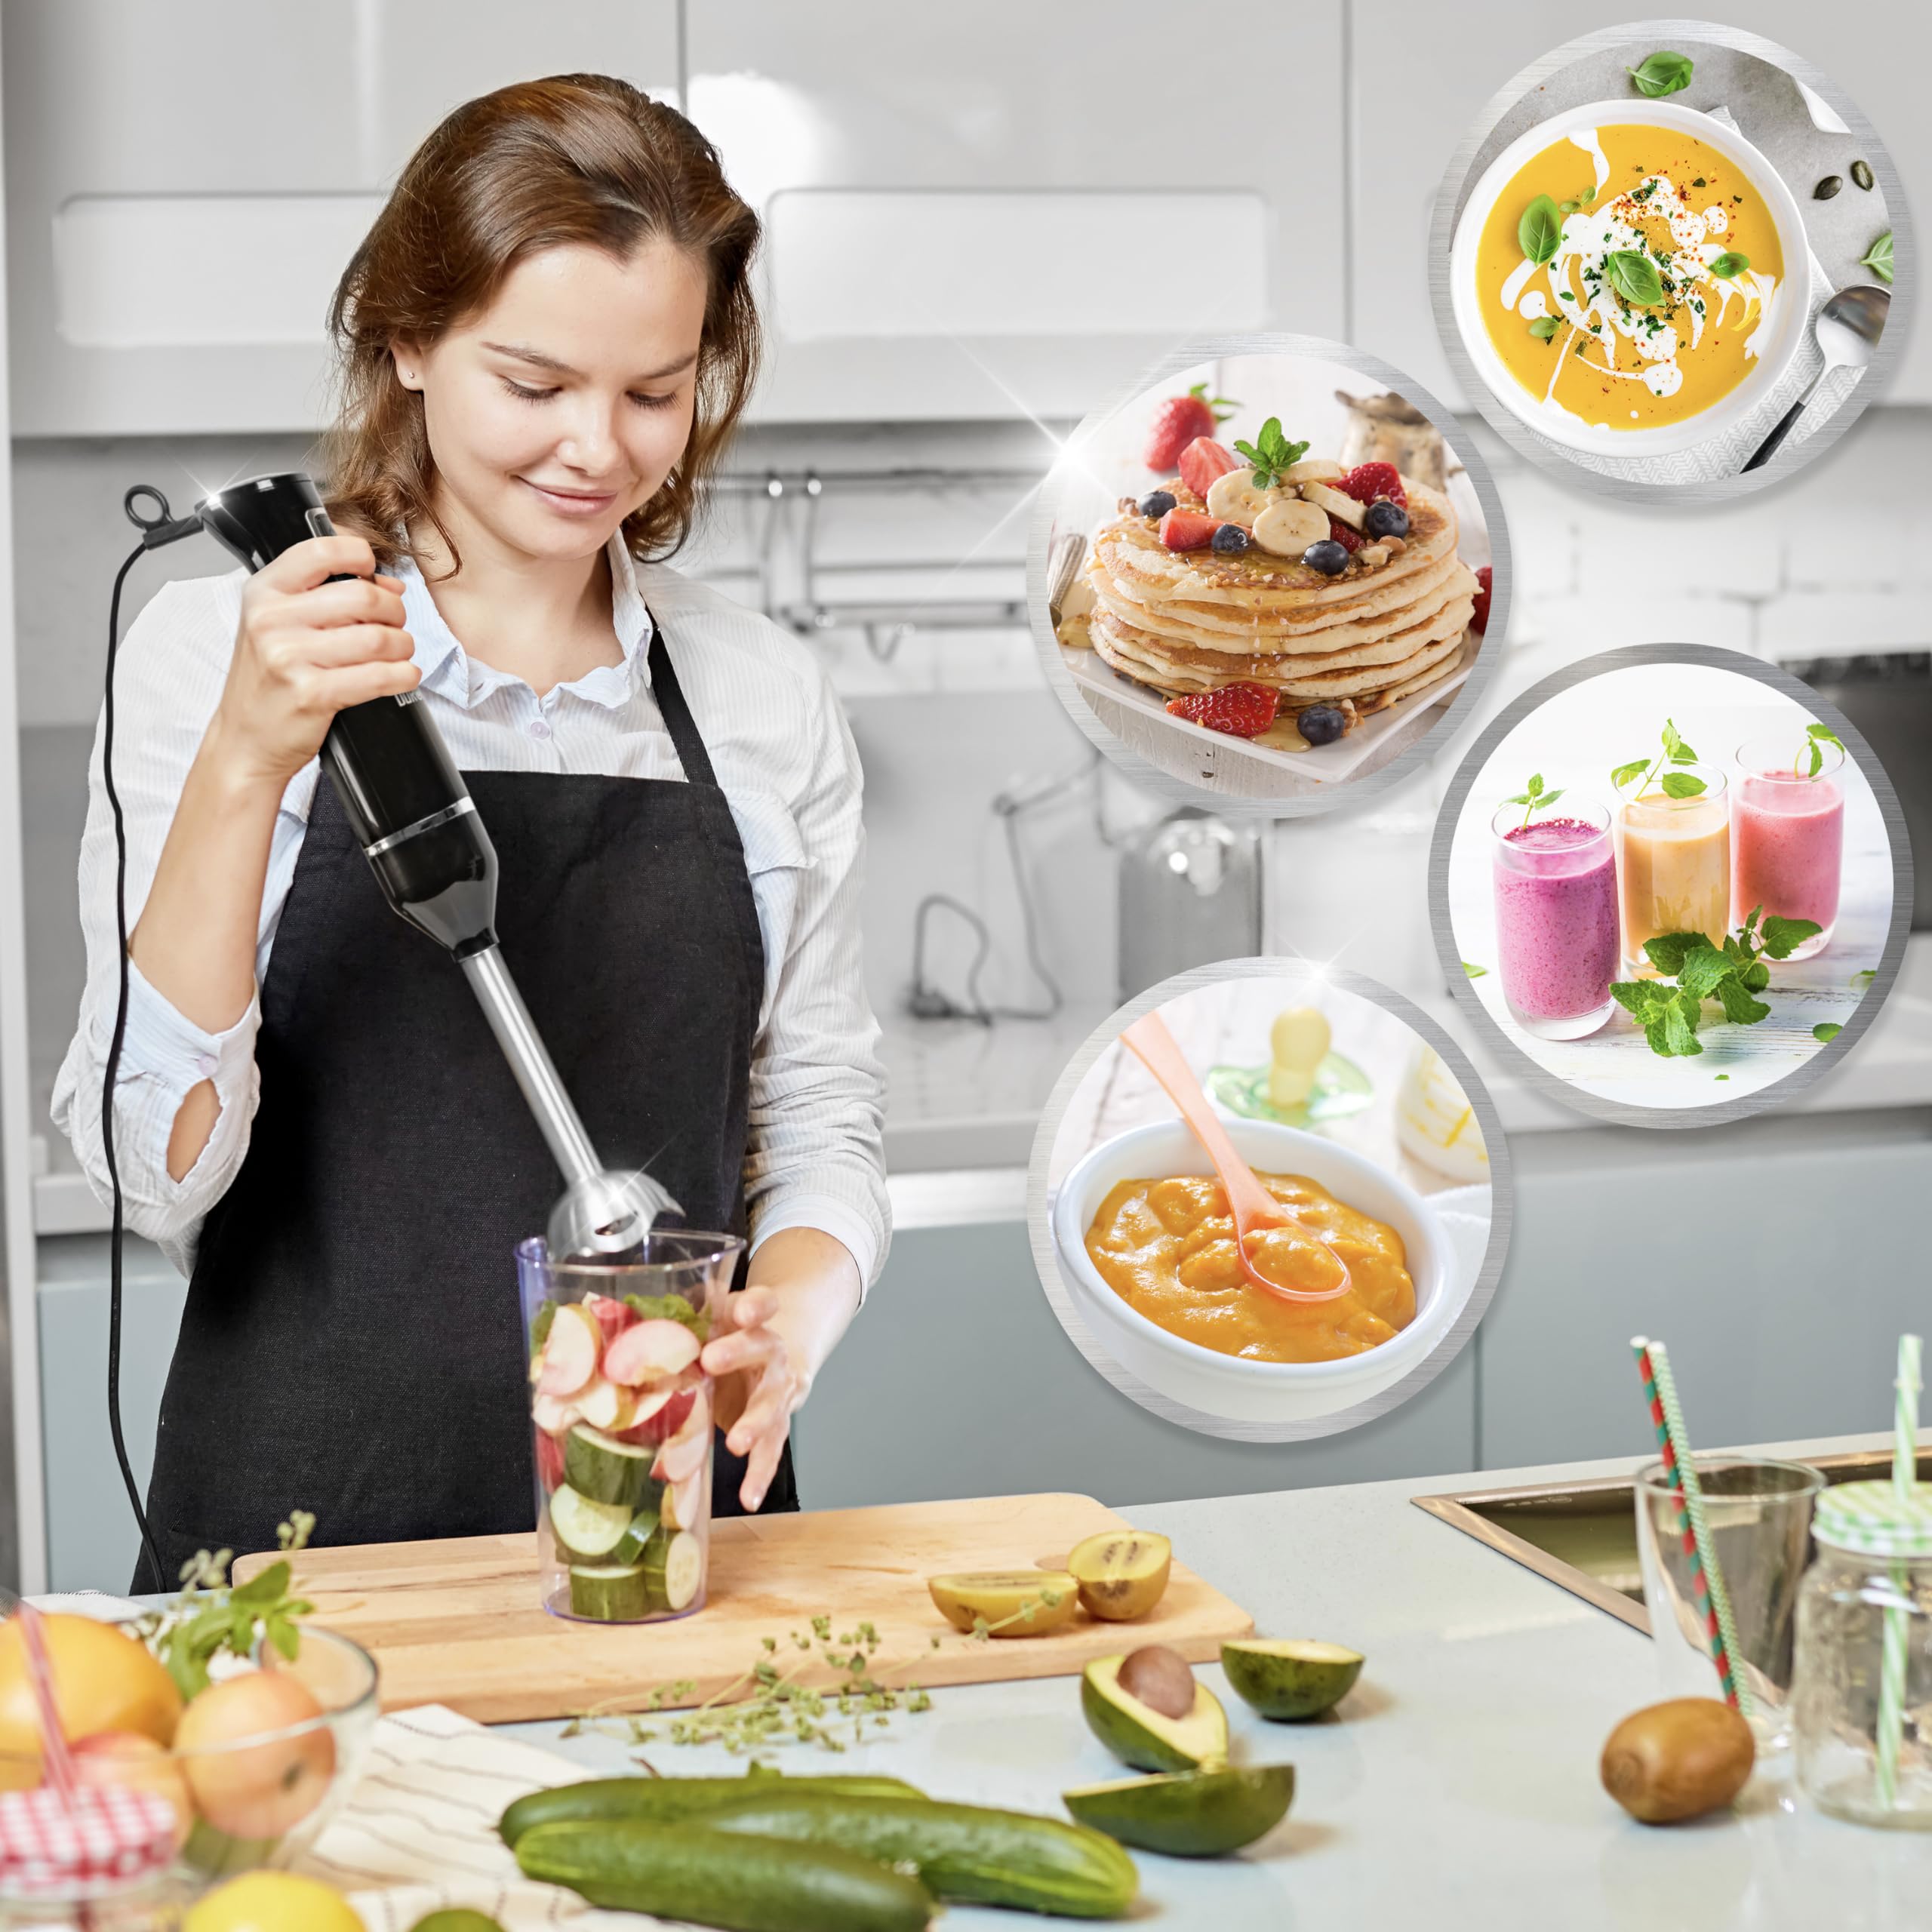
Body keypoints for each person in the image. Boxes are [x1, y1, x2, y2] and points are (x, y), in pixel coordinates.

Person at [54, 75, 888, 1588]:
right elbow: (152, 1166)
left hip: (665, 1540)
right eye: (535, 382)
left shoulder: (758, 691)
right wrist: (248, 757)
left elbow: (816, 1117)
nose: (598, 448)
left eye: (655, 390)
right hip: (299, 1556)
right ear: (408, 339)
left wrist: (799, 1309)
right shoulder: (216, 650)